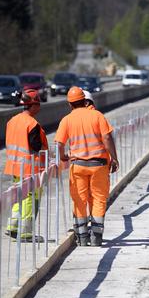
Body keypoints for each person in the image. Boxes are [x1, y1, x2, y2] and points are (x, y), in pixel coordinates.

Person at [55, 87, 119, 246]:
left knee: (79, 200)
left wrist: (63, 156)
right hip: (99, 165)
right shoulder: (97, 116)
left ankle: (82, 238)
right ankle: (96, 237)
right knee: (98, 199)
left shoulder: (67, 120)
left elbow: (58, 143)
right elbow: (107, 138)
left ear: (70, 104)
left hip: (78, 166)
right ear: (84, 101)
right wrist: (114, 158)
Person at [4, 89, 48, 241]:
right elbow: (36, 147)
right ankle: (26, 233)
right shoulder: (32, 124)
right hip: (30, 168)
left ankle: (13, 227)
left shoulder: (12, 121)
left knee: (18, 195)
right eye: (38, 104)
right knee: (29, 199)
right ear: (33, 105)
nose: (40, 107)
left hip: (14, 166)